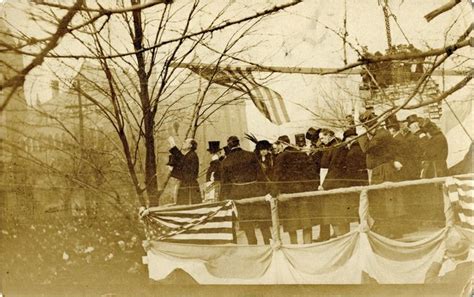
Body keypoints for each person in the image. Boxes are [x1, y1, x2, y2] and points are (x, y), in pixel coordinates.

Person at [358, 111, 406, 238]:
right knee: (384, 200)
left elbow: (366, 148)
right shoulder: (380, 134)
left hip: (383, 170)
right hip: (380, 170)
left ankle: (392, 231)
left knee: (387, 200)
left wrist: (361, 134)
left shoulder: (381, 134)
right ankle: (392, 230)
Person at [273, 135, 314, 244]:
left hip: (288, 194)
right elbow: (311, 173)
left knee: (292, 224)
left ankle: (294, 246)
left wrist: (274, 193)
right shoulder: (302, 154)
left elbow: (277, 177)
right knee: (306, 222)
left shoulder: (281, 157)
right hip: (303, 192)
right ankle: (308, 244)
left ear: (282, 144)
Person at [221, 136, 262, 244]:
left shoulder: (226, 161)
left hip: (238, 195)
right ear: (239, 144)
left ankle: (252, 245)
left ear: (229, 146)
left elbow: (225, 184)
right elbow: (261, 175)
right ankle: (268, 244)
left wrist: (223, 198)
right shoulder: (251, 155)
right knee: (263, 221)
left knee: (247, 223)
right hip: (255, 192)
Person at [168, 137, 201, 205]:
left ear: (190, 146)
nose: (183, 143)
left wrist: (173, 146)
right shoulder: (190, 155)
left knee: (188, 207)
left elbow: (182, 162)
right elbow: (182, 160)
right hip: (188, 185)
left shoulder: (192, 155)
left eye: (185, 142)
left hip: (190, 187)